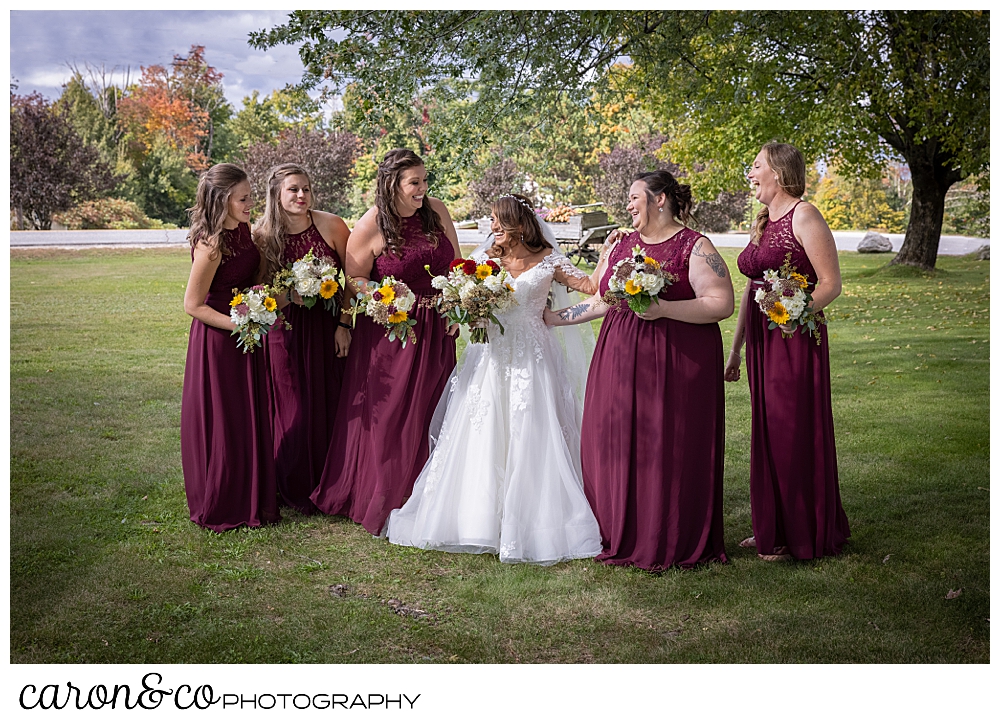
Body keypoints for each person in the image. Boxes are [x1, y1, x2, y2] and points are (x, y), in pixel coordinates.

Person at [385, 194, 603, 564]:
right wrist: (468, 310)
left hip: (533, 352)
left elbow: (592, 288)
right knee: (482, 427)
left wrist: (563, 310)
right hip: (491, 353)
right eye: (492, 221)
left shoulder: (548, 257)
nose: (493, 227)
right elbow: (462, 297)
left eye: (498, 221)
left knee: (533, 428)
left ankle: (535, 518)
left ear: (519, 223)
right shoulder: (485, 262)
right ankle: (476, 519)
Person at [545, 170, 733, 571]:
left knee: (669, 445)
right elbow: (600, 301)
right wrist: (550, 318)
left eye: (635, 197)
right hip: (619, 358)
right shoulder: (622, 245)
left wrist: (663, 309)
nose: (628, 204)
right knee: (610, 439)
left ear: (659, 199)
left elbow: (720, 302)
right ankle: (615, 529)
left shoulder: (695, 247)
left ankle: (665, 533)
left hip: (677, 363)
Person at [311, 149, 461, 535]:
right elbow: (355, 280)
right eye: (415, 183)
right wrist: (387, 299)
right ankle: (387, 494)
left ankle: (431, 495)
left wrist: (461, 305)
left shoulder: (437, 210)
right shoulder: (370, 225)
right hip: (392, 331)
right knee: (392, 414)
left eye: (425, 181)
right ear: (393, 184)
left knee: (435, 406)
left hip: (437, 327)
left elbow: (457, 264)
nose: (423, 189)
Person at [724, 142, 850, 561]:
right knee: (767, 429)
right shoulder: (761, 220)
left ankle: (801, 530)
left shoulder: (805, 214)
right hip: (761, 340)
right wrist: (737, 348)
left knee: (791, 429)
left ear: (777, 172)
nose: (750, 174)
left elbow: (830, 283)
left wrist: (794, 312)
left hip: (794, 339)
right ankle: (771, 527)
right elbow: (751, 287)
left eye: (755, 166)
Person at [180, 163, 279, 531]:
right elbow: (193, 304)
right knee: (226, 418)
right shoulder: (210, 245)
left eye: (250, 195)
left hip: (246, 332)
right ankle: (224, 498)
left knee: (247, 414)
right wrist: (241, 322)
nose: (251, 203)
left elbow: (250, 274)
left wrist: (264, 297)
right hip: (219, 340)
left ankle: (250, 492)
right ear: (223, 200)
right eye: (244, 198)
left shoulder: (242, 230)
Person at [255, 163, 352, 515]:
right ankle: (293, 484)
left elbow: (352, 278)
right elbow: (259, 290)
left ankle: (331, 483)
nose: (301, 196)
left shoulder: (332, 225)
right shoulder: (262, 236)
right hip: (286, 331)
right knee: (292, 405)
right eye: (293, 189)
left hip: (328, 329)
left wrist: (345, 324)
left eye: (306, 189)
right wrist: (289, 294)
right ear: (276, 194)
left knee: (330, 399)